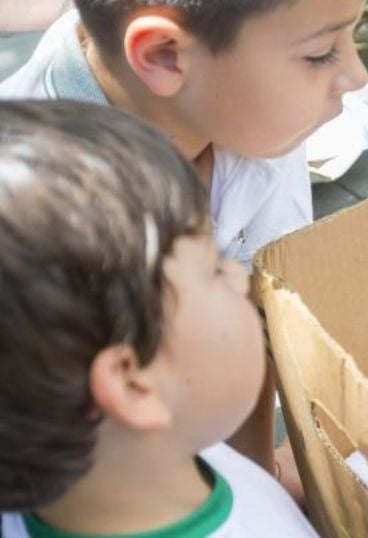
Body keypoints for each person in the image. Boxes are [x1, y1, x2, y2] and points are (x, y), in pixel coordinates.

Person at [0, 0, 368, 493]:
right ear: (163, 56)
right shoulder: (36, 223)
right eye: (322, 52)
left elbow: (260, 297)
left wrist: (260, 476)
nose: (359, 74)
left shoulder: (239, 108)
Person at [0, 99, 318, 537]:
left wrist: (276, 479)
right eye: (213, 266)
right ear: (133, 384)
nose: (235, 273)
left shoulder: (147, 456)